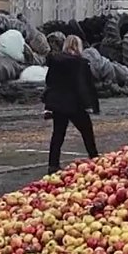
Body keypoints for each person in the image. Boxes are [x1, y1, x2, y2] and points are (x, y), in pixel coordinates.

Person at [43, 35, 100, 174]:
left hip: (58, 104)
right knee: (87, 131)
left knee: (58, 134)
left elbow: (49, 81)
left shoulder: (56, 62)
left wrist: (49, 104)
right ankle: (94, 158)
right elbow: (86, 85)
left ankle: (53, 165)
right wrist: (92, 105)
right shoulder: (81, 63)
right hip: (75, 104)